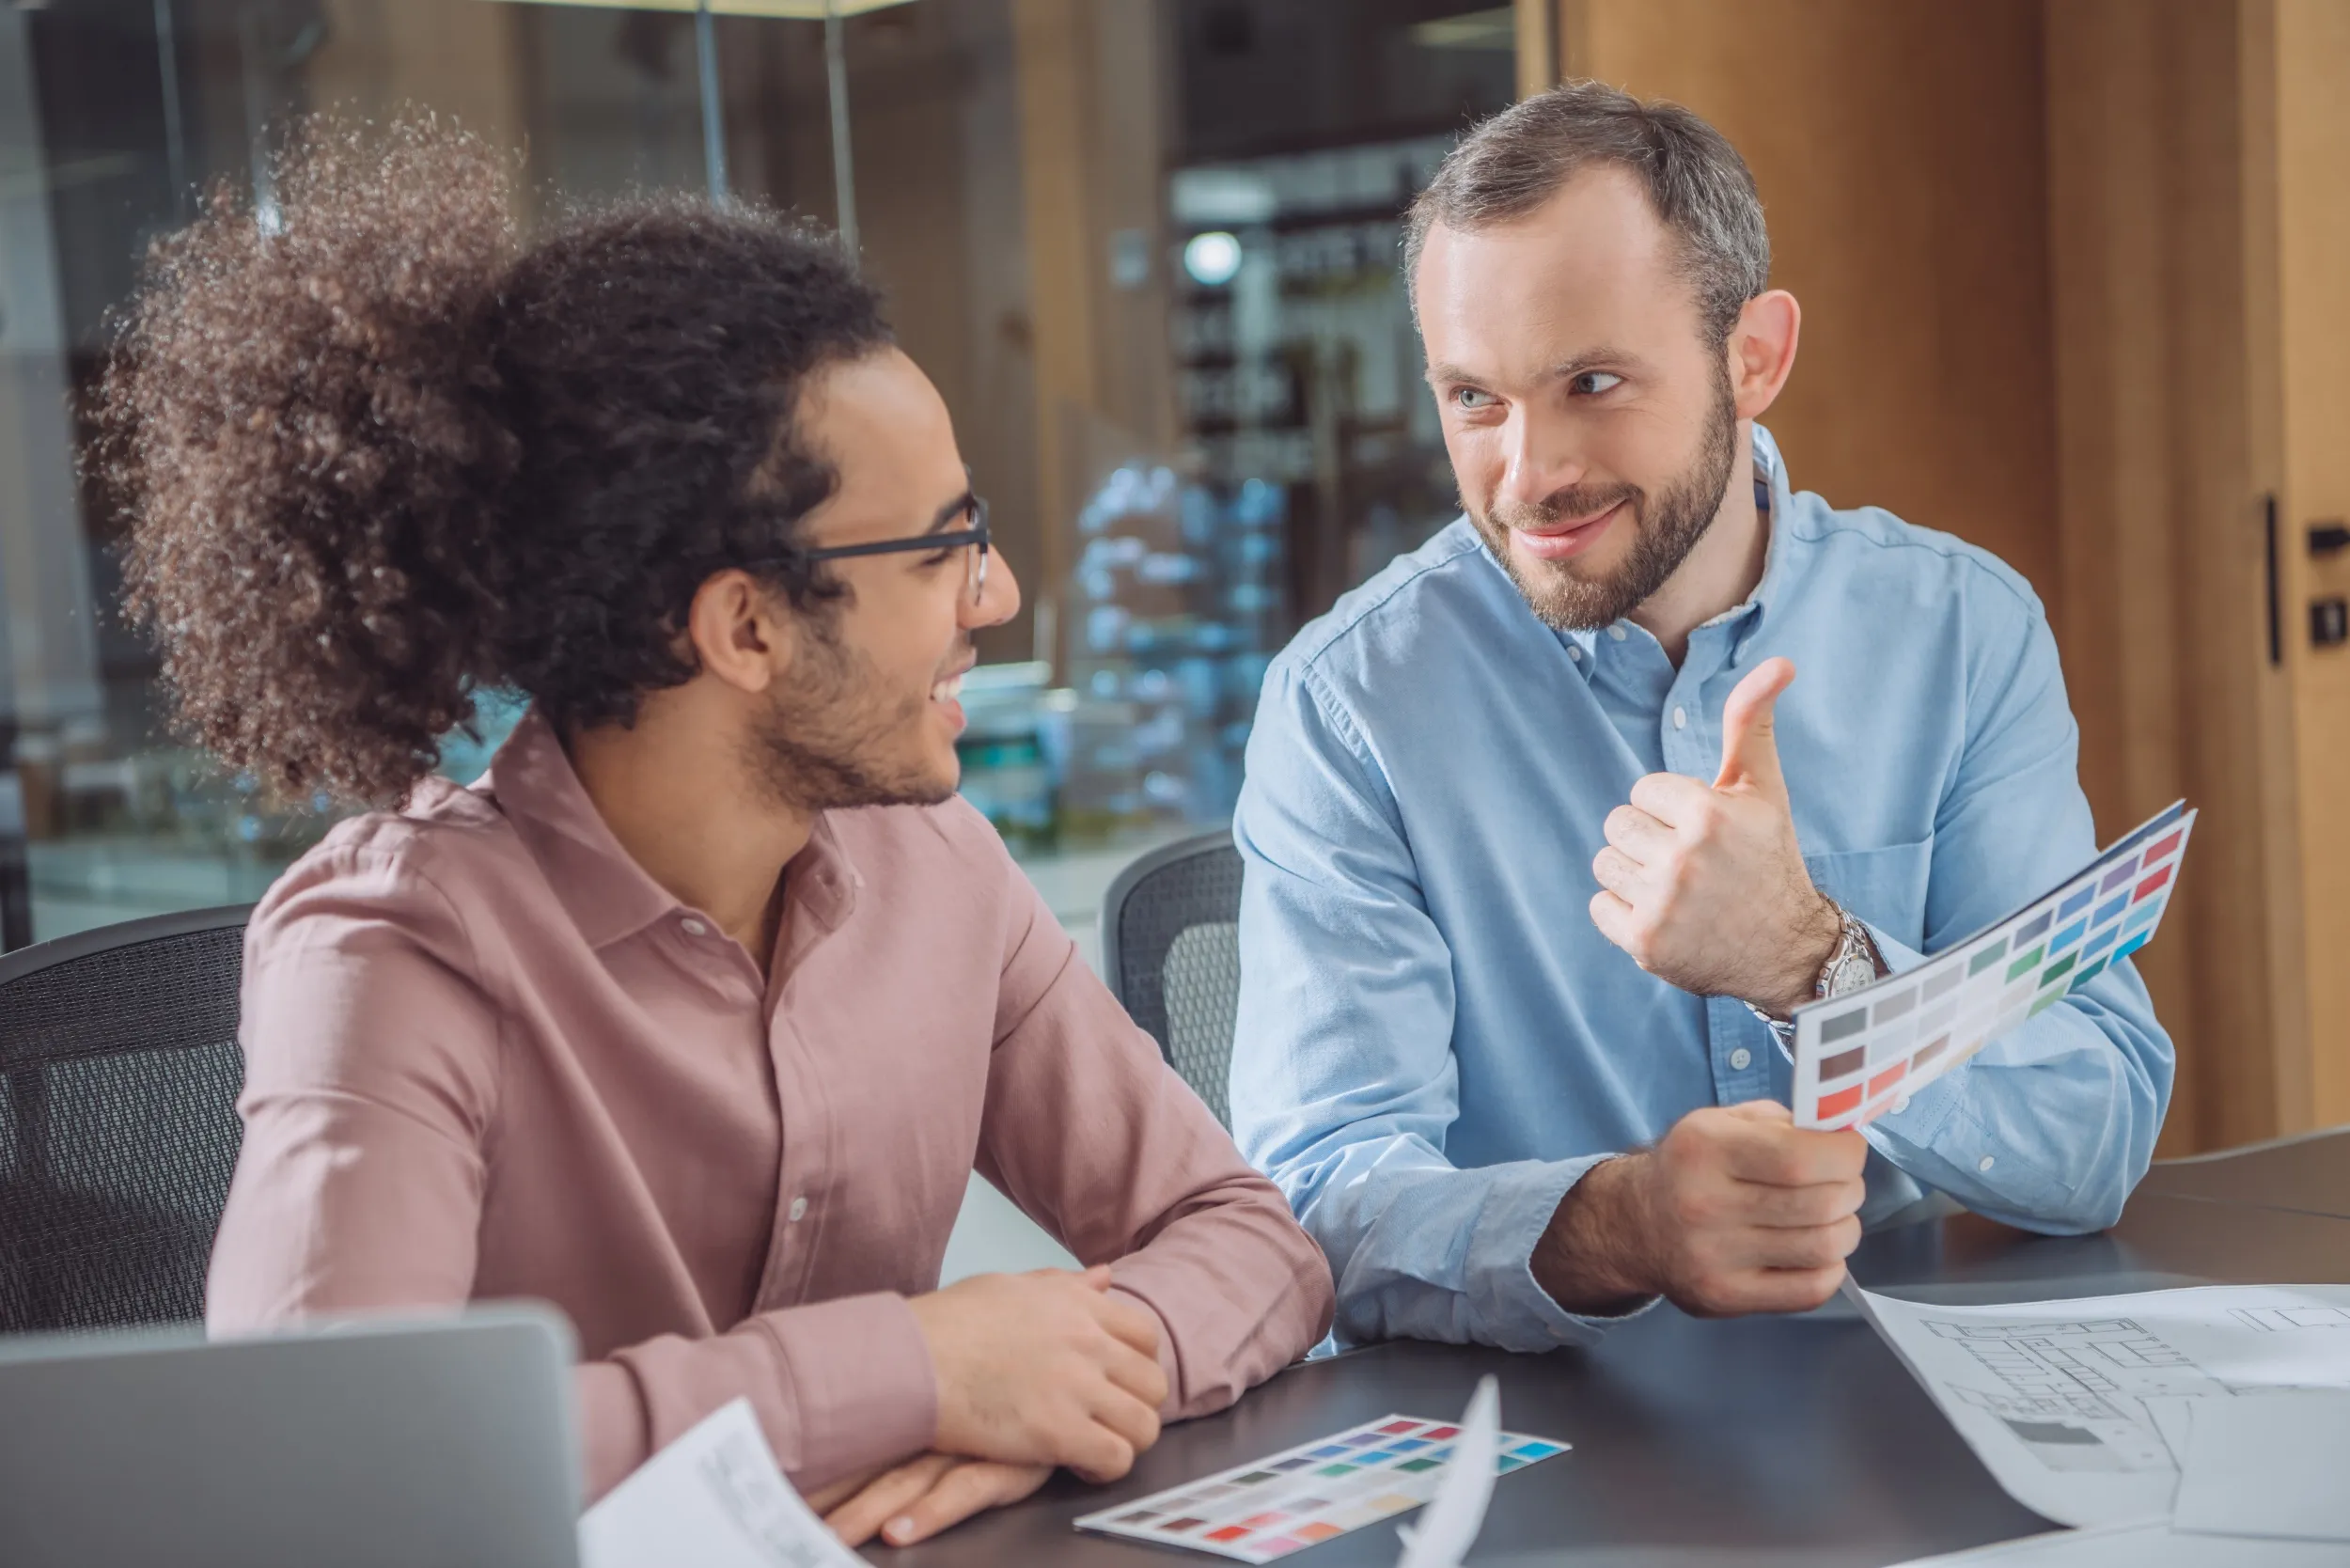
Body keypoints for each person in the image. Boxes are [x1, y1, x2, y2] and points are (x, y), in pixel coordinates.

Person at [99, 120, 1331, 1544]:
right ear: (744, 626)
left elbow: (1251, 1245)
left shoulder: (942, 876)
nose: (991, 595)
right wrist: (914, 1371)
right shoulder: (395, 955)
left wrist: (1053, 1404)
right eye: (938, 550)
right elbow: (329, 1470)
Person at [1228, 82, 2173, 1352]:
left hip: (1899, 1401)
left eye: (1594, 381)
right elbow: (1310, 1203)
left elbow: (2091, 1136)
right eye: (1475, 401)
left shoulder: (1960, 634)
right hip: (1557, 1445)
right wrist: (1621, 1225)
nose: (1530, 475)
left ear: (1756, 357)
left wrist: (1814, 965)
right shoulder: (1349, 708)